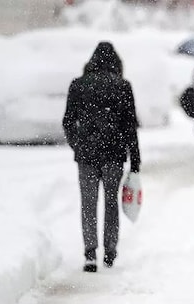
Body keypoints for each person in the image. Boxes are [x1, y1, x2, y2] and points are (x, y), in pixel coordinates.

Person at [63, 41, 141, 273]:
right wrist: (135, 158)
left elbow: (68, 121)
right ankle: (109, 251)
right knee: (110, 202)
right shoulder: (123, 86)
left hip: (86, 155)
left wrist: (77, 144)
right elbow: (130, 126)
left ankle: (89, 253)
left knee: (88, 203)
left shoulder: (78, 85)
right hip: (113, 154)